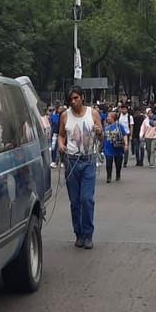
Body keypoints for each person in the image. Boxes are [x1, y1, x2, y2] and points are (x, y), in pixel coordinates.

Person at [58, 88, 101, 249]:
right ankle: (79, 234)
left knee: (87, 199)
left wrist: (98, 131)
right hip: (71, 160)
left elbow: (101, 134)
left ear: (82, 98)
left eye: (76, 98)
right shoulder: (65, 115)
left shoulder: (93, 113)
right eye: (70, 99)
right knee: (75, 201)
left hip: (88, 160)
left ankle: (88, 234)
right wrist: (61, 145)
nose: (73, 101)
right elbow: (61, 135)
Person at [103, 112, 128, 183]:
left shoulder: (119, 126)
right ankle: (109, 177)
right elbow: (102, 136)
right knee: (108, 163)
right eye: (107, 117)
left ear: (113, 118)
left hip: (118, 147)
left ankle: (118, 175)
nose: (107, 118)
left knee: (118, 163)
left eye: (109, 117)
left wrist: (126, 144)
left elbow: (124, 135)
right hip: (108, 147)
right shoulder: (105, 126)